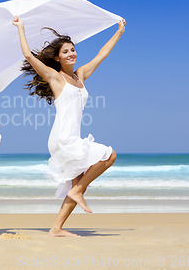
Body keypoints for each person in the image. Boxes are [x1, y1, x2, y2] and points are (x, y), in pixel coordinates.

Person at [12, 15, 126, 237]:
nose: (71, 53)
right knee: (109, 156)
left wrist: (119, 31)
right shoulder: (55, 78)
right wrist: (21, 27)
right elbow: (27, 55)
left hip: (73, 136)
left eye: (73, 49)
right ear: (57, 58)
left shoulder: (80, 75)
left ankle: (56, 228)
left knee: (76, 184)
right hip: (63, 138)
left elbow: (102, 54)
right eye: (65, 51)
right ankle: (79, 190)